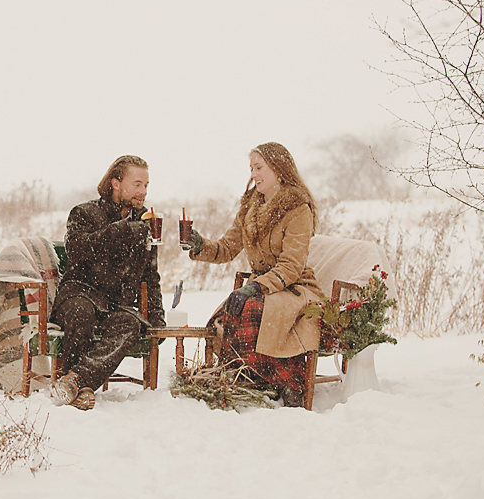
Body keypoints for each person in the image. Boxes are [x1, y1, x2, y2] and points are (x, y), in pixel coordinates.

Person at [182, 142, 323, 407]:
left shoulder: (298, 209)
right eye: (251, 168)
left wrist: (255, 287)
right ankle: (253, 377)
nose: (253, 174)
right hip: (260, 286)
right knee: (225, 317)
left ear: (278, 170)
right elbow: (226, 248)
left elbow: (291, 266)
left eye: (259, 167)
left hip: (293, 286)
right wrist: (200, 246)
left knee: (252, 310)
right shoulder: (250, 207)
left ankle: (288, 381)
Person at [50, 155, 166, 410]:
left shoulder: (145, 222)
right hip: (78, 294)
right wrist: (122, 231)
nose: (143, 192)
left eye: (146, 185)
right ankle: (80, 387)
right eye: (137, 184)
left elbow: (150, 275)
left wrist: (157, 314)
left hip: (114, 305)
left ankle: (76, 380)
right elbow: (78, 249)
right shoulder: (84, 213)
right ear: (116, 183)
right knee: (82, 312)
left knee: (131, 324)